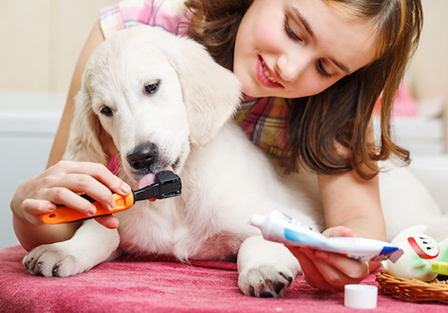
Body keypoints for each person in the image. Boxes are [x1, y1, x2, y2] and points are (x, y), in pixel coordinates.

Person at [10, 0, 422, 292]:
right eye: (293, 29)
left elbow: (359, 222)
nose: (290, 68)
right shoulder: (132, 37)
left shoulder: (330, 104)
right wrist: (28, 203)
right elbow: (65, 211)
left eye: (325, 67)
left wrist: (344, 257)